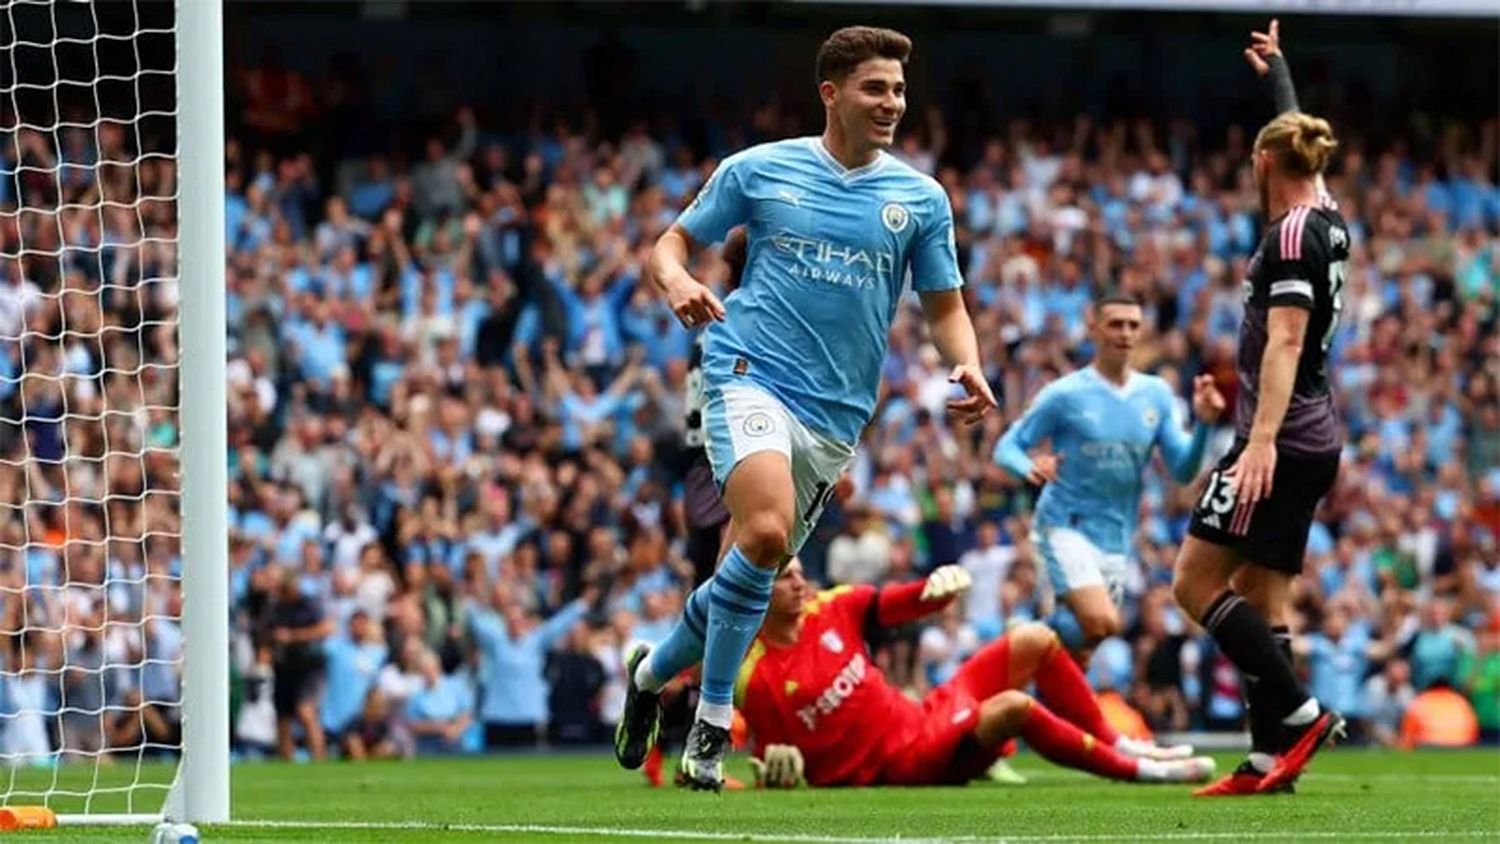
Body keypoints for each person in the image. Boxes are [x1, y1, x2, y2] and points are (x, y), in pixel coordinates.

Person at [615, 25, 997, 791]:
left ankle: (651, 674)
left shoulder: (919, 199)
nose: (892, 102)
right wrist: (679, 283)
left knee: (743, 576)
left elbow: (945, 305)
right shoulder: (760, 170)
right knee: (760, 534)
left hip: (836, 416)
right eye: (875, 88)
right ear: (832, 93)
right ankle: (711, 727)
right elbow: (668, 244)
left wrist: (968, 360)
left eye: (897, 89)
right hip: (747, 371)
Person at [1171, 20, 1350, 797]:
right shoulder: (1329, 215)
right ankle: (1267, 759)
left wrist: (1259, 443)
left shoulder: (1289, 238)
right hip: (1318, 433)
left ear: (1262, 162)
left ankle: (1301, 709)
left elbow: (1283, 340)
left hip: (1281, 437)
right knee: (1262, 594)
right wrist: (1279, 75)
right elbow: (1296, 139)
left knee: (1193, 582)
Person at [736, 559, 1215, 788]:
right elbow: (770, 759)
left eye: (800, 570)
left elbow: (907, 599)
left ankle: (1121, 741)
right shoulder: (755, 678)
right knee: (1014, 708)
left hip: (924, 717)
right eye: (785, 576)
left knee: (1033, 638)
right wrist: (772, 774)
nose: (800, 581)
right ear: (758, 590)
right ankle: (1139, 771)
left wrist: (941, 588)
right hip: (904, 763)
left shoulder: (833, 605)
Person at [993, 291, 1225, 662]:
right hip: (1064, 524)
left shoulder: (1156, 394)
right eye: (1116, 324)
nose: (1125, 333)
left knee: (1080, 651)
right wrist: (1029, 467)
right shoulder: (1065, 394)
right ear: (1093, 328)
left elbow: (1182, 471)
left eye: (1133, 325)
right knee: (1102, 621)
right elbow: (1006, 448)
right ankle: (1025, 633)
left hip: (1117, 537)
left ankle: (1031, 662)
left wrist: (1204, 426)